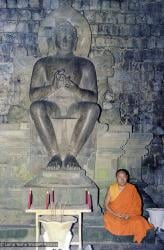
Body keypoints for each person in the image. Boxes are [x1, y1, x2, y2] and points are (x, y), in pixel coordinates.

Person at [29, 21, 100, 169]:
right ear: (54, 40)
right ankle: (54, 154)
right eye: (61, 36)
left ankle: (71, 155)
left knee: (93, 109)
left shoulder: (85, 64)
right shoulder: (42, 63)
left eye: (69, 36)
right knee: (36, 107)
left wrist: (75, 89)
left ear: (75, 41)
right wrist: (52, 87)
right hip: (52, 106)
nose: (65, 39)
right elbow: (33, 96)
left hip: (75, 106)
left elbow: (93, 98)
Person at [103, 169, 154, 244]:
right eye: (119, 177)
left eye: (124, 177)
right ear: (116, 177)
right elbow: (106, 205)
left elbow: (137, 205)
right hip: (114, 214)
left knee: (140, 221)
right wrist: (116, 214)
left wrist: (128, 215)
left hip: (129, 215)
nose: (122, 179)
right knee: (109, 219)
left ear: (127, 177)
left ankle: (139, 238)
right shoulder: (112, 188)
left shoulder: (132, 189)